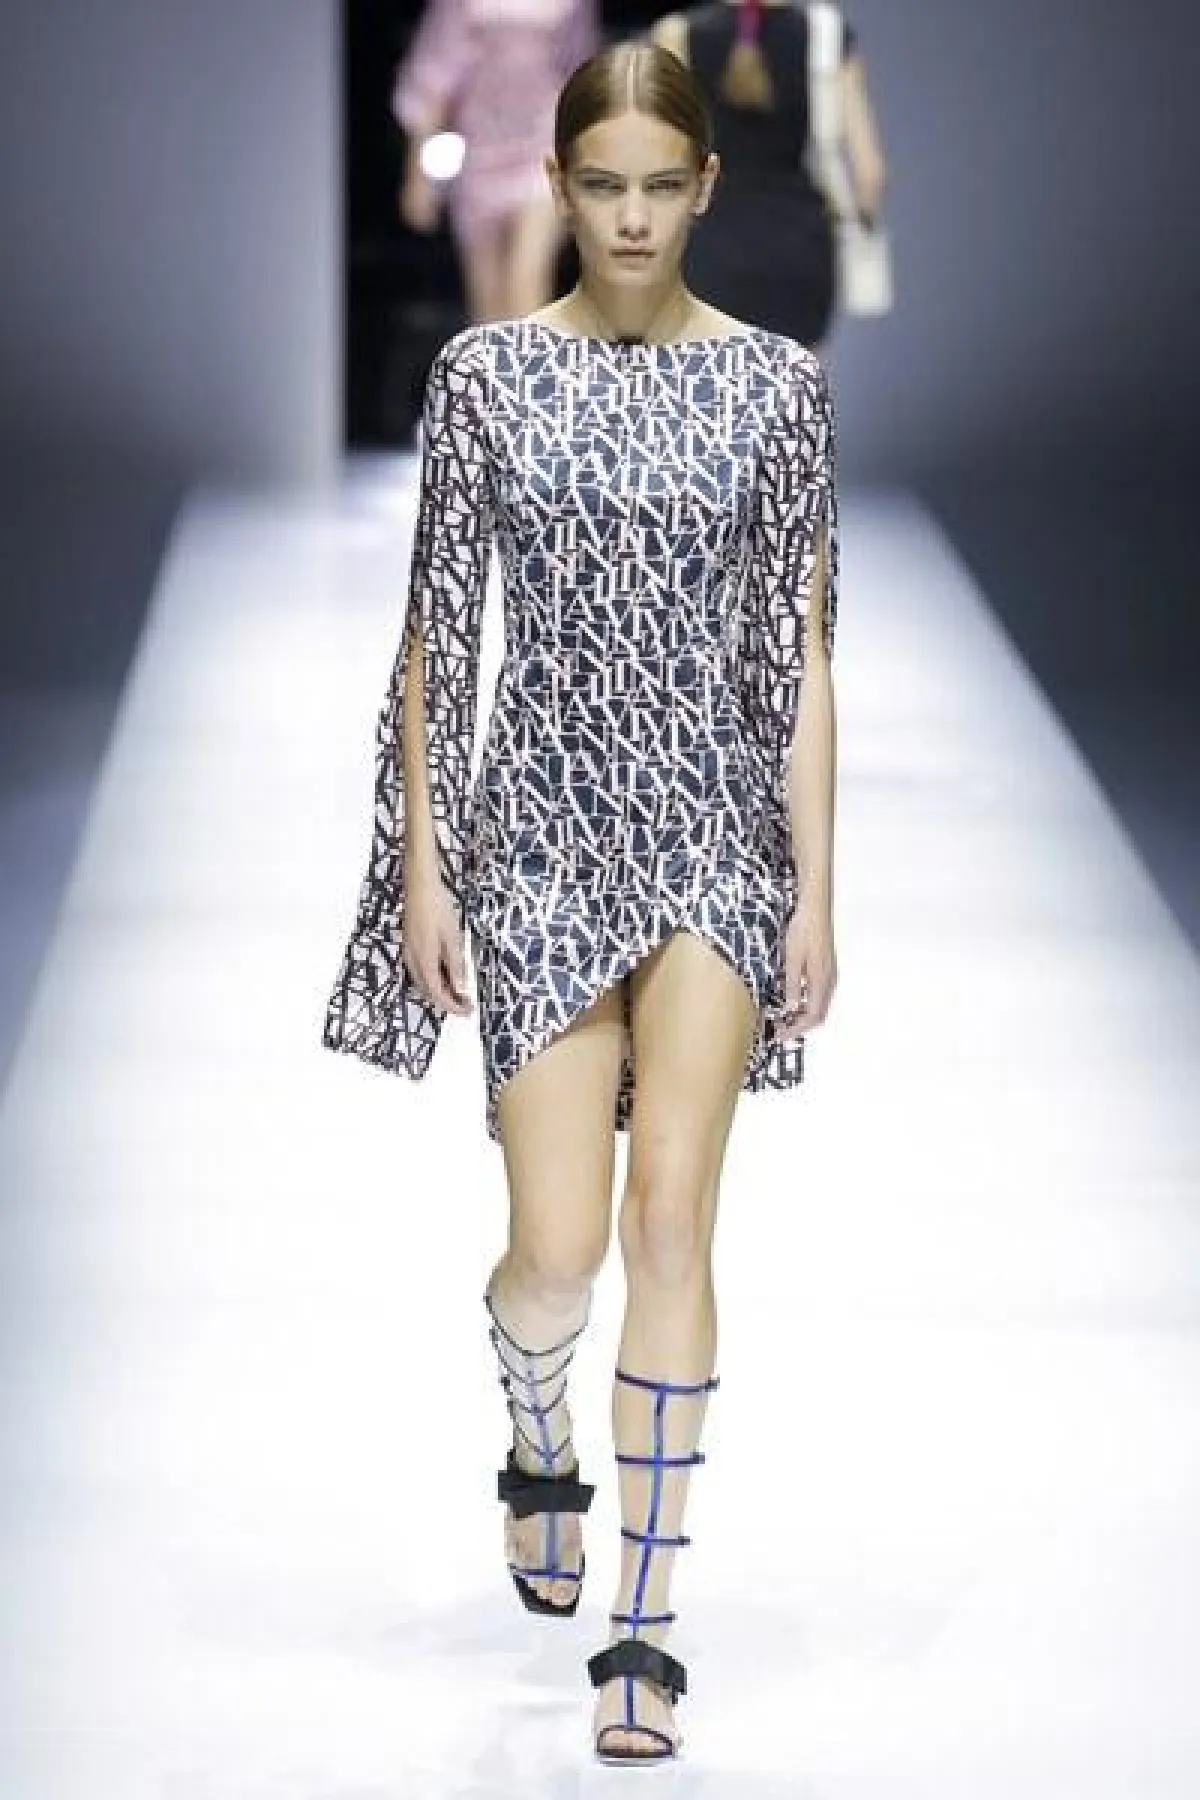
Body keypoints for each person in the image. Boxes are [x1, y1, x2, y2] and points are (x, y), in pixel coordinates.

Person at [324, 38, 840, 1766]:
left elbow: (803, 656)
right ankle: (535, 1416)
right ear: (556, 184)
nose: (628, 218)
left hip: (714, 835)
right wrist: (425, 865)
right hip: (539, 833)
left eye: (657, 187)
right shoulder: (486, 377)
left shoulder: (776, 388)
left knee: (670, 1225)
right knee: (555, 1257)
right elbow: (435, 634)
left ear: (704, 189)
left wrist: (817, 893)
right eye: (600, 185)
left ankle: (643, 1630)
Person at [650, 0, 888, 346]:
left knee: (712, 376)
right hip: (801, 248)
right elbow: (870, 173)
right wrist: (859, 228)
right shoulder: (827, 34)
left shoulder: (677, 34)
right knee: (793, 377)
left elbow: (657, 158)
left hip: (707, 246)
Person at [394, 0, 599, 321]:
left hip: (544, 144)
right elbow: (434, 74)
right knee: (487, 301)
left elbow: (583, 69)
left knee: (528, 278)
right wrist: (417, 175)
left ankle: (530, 355)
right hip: (480, 151)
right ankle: (497, 356)